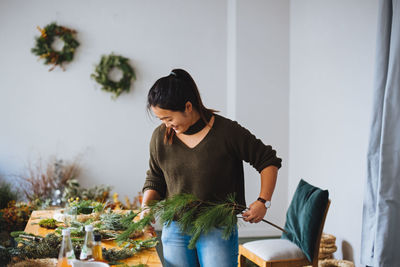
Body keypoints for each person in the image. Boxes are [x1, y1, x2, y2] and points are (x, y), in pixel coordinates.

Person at [142, 68, 281, 267]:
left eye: (169, 118)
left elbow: (268, 161)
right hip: (175, 228)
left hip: (217, 229)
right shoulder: (160, 137)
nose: (166, 125)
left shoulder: (227, 132)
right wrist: (146, 208)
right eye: (161, 120)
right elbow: (155, 177)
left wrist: (263, 201)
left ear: (188, 106)